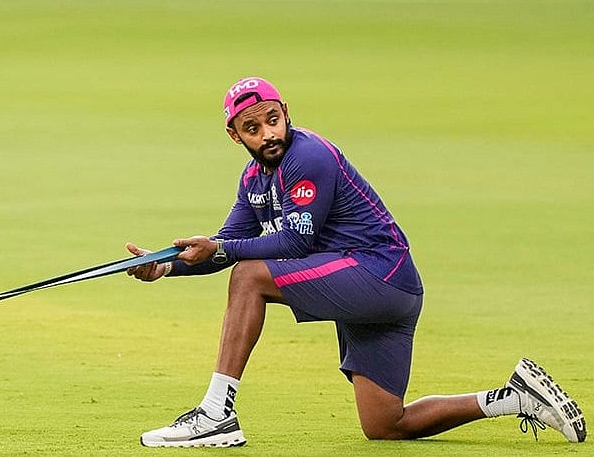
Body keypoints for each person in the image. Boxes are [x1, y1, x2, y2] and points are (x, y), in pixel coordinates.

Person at [125, 77, 586, 447]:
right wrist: (167, 266)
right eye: (252, 128)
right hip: (377, 290)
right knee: (386, 424)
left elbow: (293, 245)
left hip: (379, 277)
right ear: (234, 135)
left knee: (249, 275)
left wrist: (220, 250)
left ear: (286, 112)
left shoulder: (308, 156)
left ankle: (215, 413)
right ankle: (513, 398)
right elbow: (225, 242)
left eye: (272, 119)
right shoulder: (253, 179)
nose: (268, 133)